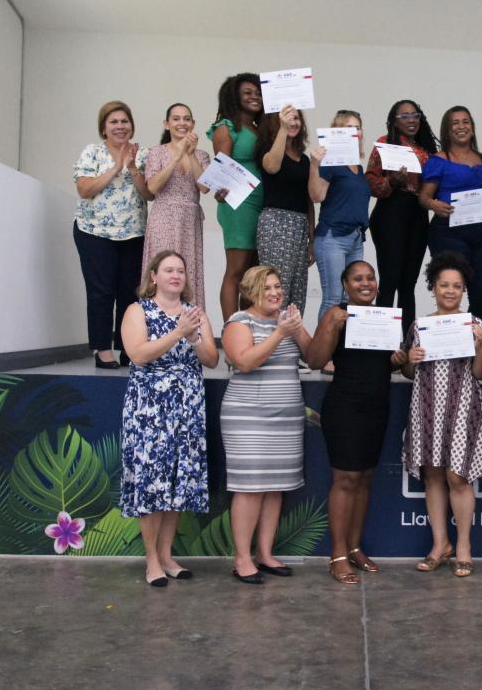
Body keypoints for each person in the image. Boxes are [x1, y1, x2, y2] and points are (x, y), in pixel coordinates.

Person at [119, 250, 219, 586]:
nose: (176, 275)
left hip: (187, 405)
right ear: (153, 277)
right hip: (150, 407)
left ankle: (166, 555)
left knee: (177, 481)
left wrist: (194, 337)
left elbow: (211, 359)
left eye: (180, 271)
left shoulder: (195, 314)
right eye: (168, 270)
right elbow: (137, 354)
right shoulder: (138, 311)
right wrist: (177, 333)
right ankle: (151, 561)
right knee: (152, 482)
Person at [306, 261, 407, 584]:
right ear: (345, 285)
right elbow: (315, 360)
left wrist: (399, 360)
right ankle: (336, 555)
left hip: (377, 406)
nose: (366, 283)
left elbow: (385, 365)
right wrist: (332, 327)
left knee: (364, 478)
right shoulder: (336, 315)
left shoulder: (385, 318)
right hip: (345, 407)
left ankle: (353, 547)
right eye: (358, 279)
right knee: (346, 479)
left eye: (370, 278)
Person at [401, 252, 482, 577]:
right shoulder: (420, 325)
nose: (450, 291)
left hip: (463, 407)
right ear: (433, 287)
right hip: (426, 409)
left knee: (458, 476)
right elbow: (411, 372)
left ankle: (464, 544)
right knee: (433, 475)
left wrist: (480, 346)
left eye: (456, 286)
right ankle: (441, 544)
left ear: (464, 289)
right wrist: (410, 357)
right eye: (444, 285)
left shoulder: (475, 325)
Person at [220, 265, 311, 584]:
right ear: (249, 293)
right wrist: (280, 333)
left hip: (286, 418)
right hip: (248, 417)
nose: (275, 292)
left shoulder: (286, 321)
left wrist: (297, 329)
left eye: (277, 286)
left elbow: (313, 356)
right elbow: (244, 362)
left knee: (275, 487)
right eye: (266, 288)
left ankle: (265, 553)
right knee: (249, 488)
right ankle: (242, 558)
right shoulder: (238, 321)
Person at [72, 100, 153, 368]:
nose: (120, 126)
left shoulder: (143, 154)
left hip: (134, 233)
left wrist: (131, 167)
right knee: (101, 291)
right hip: (94, 231)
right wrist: (116, 167)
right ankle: (102, 349)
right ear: (104, 128)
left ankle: (128, 347)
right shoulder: (92, 152)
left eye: (124, 121)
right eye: (114, 122)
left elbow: (149, 194)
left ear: (132, 125)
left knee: (130, 294)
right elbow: (84, 189)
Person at [418, 106, 482, 321]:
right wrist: (435, 205)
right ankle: (449, 342)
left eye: (466, 122)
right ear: (447, 130)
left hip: (481, 235)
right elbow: (424, 197)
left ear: (472, 128)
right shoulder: (439, 160)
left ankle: (476, 343)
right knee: (450, 292)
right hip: (447, 232)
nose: (461, 126)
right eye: (455, 123)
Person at [366, 99, 438, 332]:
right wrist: (391, 181)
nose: (411, 120)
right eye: (404, 116)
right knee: (390, 280)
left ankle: (407, 345)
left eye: (415, 115)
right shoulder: (385, 144)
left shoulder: (427, 150)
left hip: (417, 215)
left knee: (408, 284)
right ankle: (382, 343)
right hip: (390, 213)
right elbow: (370, 182)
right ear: (394, 122)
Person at [143, 103, 210, 310]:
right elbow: (153, 187)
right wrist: (177, 155)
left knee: (187, 270)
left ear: (193, 123)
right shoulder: (156, 152)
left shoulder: (202, 155)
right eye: (176, 118)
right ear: (167, 124)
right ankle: (158, 322)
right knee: (163, 269)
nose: (182, 123)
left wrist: (189, 153)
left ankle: (190, 325)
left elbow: (205, 187)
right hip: (164, 216)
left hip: (190, 219)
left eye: (187, 118)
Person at [207, 73, 263, 321]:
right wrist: (220, 192)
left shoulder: (258, 128)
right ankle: (232, 333)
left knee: (253, 274)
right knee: (236, 271)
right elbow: (222, 171)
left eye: (258, 93)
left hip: (262, 203)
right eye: (248, 93)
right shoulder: (226, 127)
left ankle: (248, 329)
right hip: (238, 204)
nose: (255, 97)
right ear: (234, 97)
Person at [309, 110, 371, 321]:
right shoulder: (331, 162)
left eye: (357, 128)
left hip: (355, 238)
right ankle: (321, 353)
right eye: (347, 128)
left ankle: (343, 350)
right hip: (332, 237)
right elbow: (317, 195)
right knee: (333, 298)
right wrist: (315, 165)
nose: (354, 132)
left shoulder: (359, 168)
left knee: (351, 298)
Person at [256, 103, 313, 316]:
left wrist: (312, 239)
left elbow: (308, 200)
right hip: (275, 223)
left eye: (297, 118)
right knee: (275, 286)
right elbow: (272, 166)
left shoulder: (305, 159)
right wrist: (282, 129)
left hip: (300, 225)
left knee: (297, 289)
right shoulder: (266, 150)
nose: (294, 122)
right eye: (288, 117)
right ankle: (271, 341)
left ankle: (290, 340)